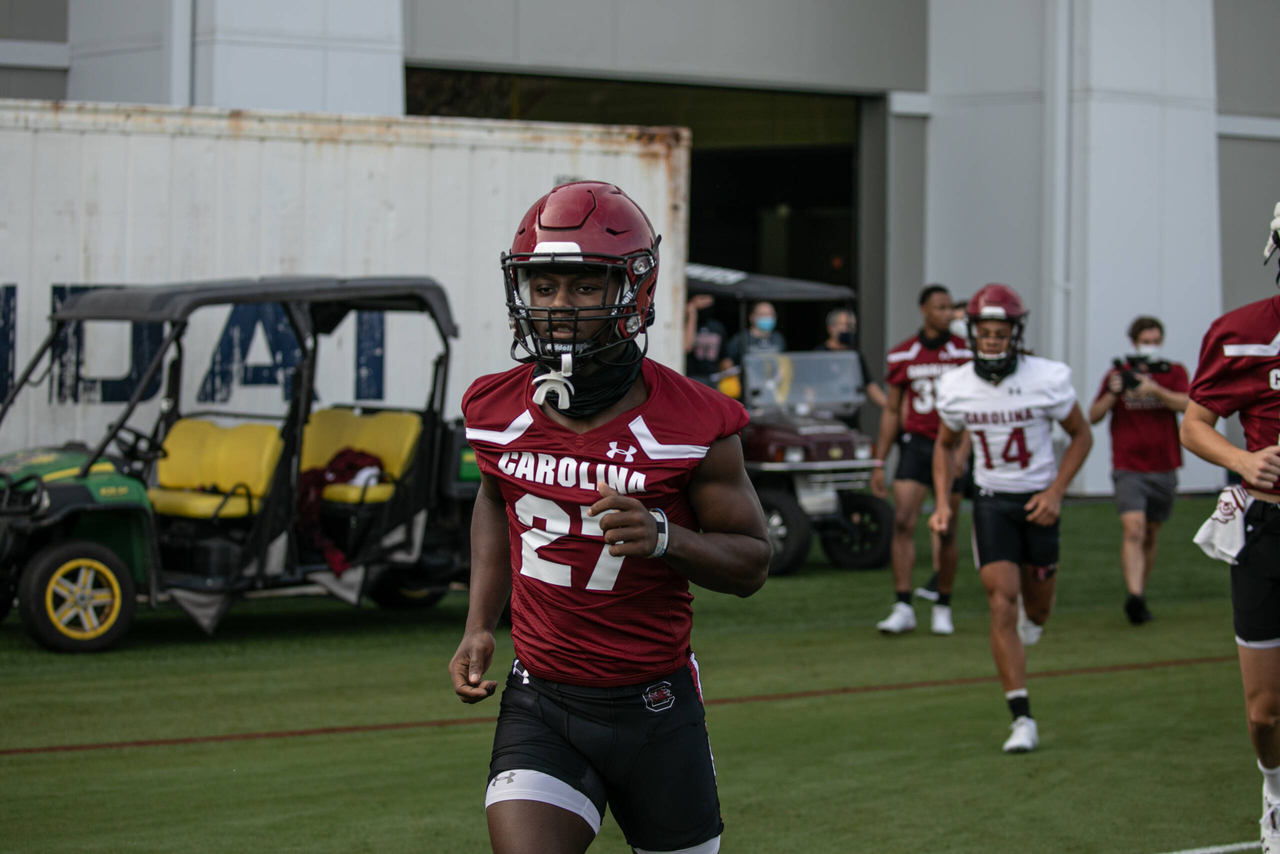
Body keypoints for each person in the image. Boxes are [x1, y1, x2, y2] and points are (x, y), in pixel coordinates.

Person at [450, 181, 771, 854]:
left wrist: (664, 537)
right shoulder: (493, 408)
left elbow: (752, 564)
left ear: (634, 291)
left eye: (584, 287)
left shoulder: (693, 422)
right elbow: (493, 496)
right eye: (543, 288)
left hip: (655, 707)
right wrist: (481, 624)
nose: (559, 309)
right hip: (541, 701)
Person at [929, 283, 1093, 754]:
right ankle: (1021, 718)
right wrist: (944, 503)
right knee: (1002, 600)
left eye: (1002, 333)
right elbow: (943, 444)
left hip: (1039, 500)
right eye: (986, 332)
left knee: (1036, 609)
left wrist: (1057, 492)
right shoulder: (957, 385)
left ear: (1015, 334)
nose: (994, 341)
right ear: (973, 334)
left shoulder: (1048, 377)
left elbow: (1081, 436)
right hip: (992, 500)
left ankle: (1033, 619)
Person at [1180, 202, 1280, 853]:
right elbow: (1192, 425)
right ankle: (1275, 791)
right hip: (1271, 528)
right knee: (1264, 710)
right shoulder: (1243, 332)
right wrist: (1243, 460)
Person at [871, 284, 972, 635]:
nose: (948, 313)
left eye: (950, 308)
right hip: (915, 445)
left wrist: (962, 453)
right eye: (940, 307)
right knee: (902, 521)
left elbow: (973, 409)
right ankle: (903, 605)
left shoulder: (963, 353)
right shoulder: (903, 354)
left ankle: (943, 603)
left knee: (946, 529)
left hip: (951, 445)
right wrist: (879, 460)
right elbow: (892, 410)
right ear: (924, 310)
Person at [1088, 316, 1190, 624]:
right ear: (1134, 343)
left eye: (1156, 340)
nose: (1151, 347)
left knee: (1151, 533)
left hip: (1164, 464)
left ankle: (1140, 593)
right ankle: (1134, 596)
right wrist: (1113, 392)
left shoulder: (1173, 372)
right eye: (1146, 341)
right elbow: (1092, 415)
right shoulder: (1118, 373)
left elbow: (1189, 404)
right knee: (1134, 529)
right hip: (1128, 465)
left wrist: (1155, 390)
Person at [814, 307, 887, 411]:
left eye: (853, 326)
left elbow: (870, 386)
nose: (850, 330)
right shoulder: (819, 355)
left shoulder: (854, 355)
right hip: (826, 415)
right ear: (831, 328)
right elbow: (810, 390)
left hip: (849, 414)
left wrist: (891, 408)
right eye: (846, 325)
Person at [722, 300, 786, 368]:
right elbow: (726, 363)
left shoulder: (778, 338)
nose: (768, 317)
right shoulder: (741, 339)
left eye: (771, 314)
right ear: (752, 317)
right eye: (763, 314)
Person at [684, 293, 726, 387]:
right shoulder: (683, 323)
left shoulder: (717, 327)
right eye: (702, 298)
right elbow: (687, 346)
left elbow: (724, 357)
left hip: (712, 379)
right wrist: (692, 314)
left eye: (710, 300)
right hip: (690, 377)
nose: (707, 302)